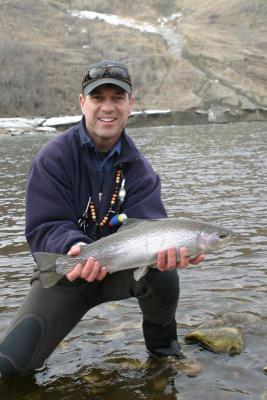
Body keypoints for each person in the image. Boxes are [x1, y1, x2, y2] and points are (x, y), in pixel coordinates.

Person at [0, 60, 204, 376]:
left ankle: (164, 355)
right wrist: (74, 246)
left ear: (130, 105)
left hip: (122, 266)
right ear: (83, 103)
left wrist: (173, 254)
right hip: (69, 269)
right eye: (98, 98)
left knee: (163, 275)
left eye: (117, 98)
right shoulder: (53, 158)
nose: (107, 107)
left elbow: (151, 227)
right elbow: (45, 225)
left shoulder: (141, 172)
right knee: (10, 368)